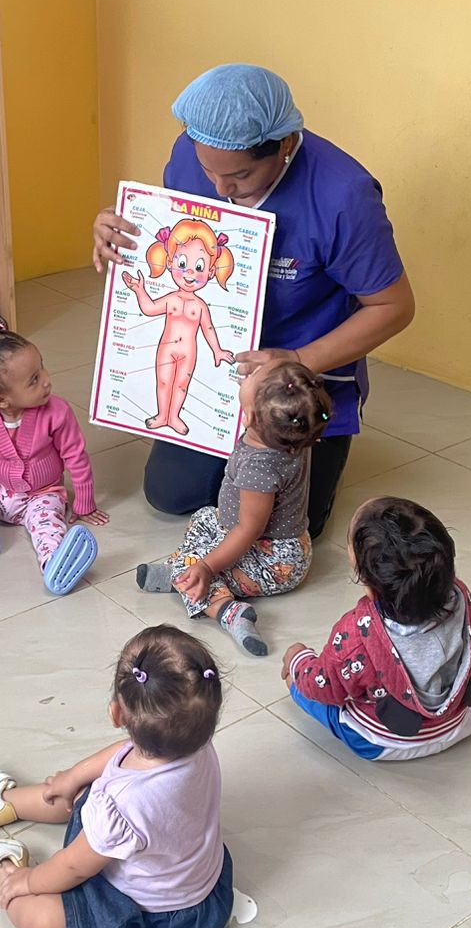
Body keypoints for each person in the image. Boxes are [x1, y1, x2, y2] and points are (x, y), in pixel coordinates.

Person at [92, 63, 415, 540]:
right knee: (171, 495)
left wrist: (298, 359)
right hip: (219, 370)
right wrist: (117, 227)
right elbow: (176, 236)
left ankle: (323, 445)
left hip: (302, 377)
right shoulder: (190, 153)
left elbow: (394, 307)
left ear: (284, 145)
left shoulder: (343, 196)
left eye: (240, 174)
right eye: (209, 171)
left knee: (288, 527)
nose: (221, 189)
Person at [0, 626, 232, 928]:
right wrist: (75, 776)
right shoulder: (194, 741)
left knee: (44, 924)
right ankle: (3, 804)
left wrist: (28, 881)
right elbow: (124, 752)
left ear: (116, 714)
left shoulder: (123, 804)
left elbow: (73, 867)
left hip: (152, 918)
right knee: (80, 793)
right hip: (195, 888)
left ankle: (3, 869)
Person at [135, 359, 331, 656]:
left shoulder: (259, 467)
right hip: (265, 539)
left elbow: (249, 530)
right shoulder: (290, 433)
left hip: (274, 559)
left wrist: (207, 566)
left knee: (199, 567)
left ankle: (226, 610)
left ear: (249, 415)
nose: (249, 374)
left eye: (255, 377)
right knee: (203, 518)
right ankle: (184, 574)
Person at [282, 497, 471, 761]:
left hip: (383, 743)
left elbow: (324, 687)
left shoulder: (356, 635)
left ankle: (295, 675)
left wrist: (299, 660)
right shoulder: (459, 596)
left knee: (304, 684)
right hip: (464, 721)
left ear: (370, 587)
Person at [0, 329, 108, 596]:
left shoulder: (57, 412)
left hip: (42, 495)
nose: (47, 381)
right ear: (0, 400)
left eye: (42, 368)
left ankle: (54, 563)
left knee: (47, 526)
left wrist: (84, 502)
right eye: (34, 380)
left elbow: (76, 456)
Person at [121, 217, 235, 435]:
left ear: (211, 272)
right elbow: (149, 308)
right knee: (164, 382)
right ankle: (162, 415)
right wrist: (139, 290)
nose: (190, 273)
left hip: (188, 352)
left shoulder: (200, 305)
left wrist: (217, 350)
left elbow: (208, 328)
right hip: (167, 349)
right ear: (170, 262)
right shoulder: (171, 299)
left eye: (199, 266)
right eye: (182, 264)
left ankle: (173, 417)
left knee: (181, 384)